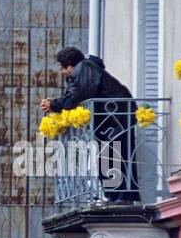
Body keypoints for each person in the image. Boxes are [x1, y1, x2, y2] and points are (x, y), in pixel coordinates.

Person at [40, 46, 137, 200]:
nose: (62, 73)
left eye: (62, 68)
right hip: (111, 117)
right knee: (109, 155)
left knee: (117, 153)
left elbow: (77, 95)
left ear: (69, 65)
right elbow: (74, 95)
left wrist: (53, 105)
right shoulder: (84, 69)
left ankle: (123, 196)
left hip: (116, 116)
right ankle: (115, 196)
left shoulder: (85, 68)